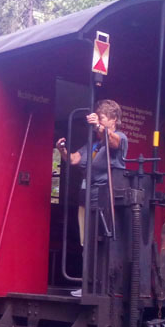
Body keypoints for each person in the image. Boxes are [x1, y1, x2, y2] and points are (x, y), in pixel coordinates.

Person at [56, 99, 128, 296]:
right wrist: (61, 149)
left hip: (105, 198)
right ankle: (88, 284)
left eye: (102, 118)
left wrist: (98, 125)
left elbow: (113, 141)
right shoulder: (93, 145)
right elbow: (73, 159)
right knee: (85, 242)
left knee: (102, 241)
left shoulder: (119, 138)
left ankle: (102, 286)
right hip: (85, 198)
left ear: (113, 119)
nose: (99, 122)